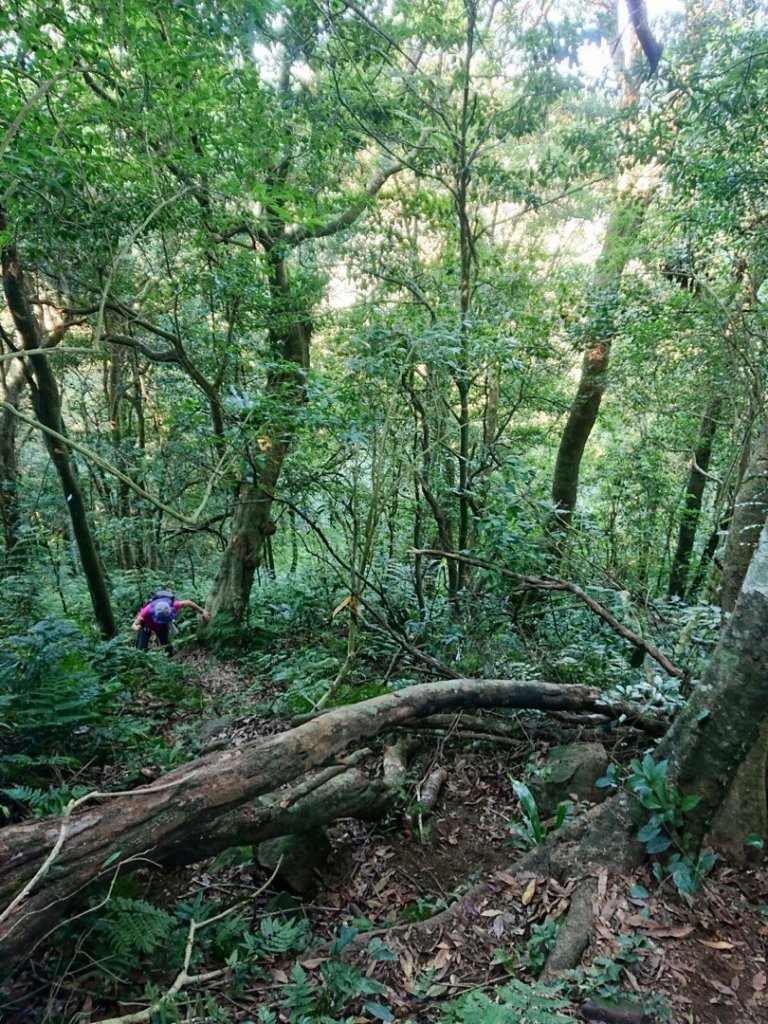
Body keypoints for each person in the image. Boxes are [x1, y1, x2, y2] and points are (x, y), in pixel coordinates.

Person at [131, 589, 211, 654]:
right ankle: (140, 663)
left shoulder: (173, 606)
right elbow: (133, 625)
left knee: (166, 644)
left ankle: (170, 658)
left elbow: (188, 602)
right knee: (141, 648)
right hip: (146, 626)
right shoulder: (147, 610)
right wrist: (137, 628)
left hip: (162, 627)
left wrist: (202, 611)